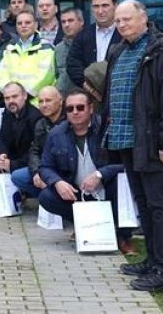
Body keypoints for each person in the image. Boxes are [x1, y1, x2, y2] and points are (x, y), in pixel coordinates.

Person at [106, 0, 163, 293]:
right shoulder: (119, 50)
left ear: (143, 19)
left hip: (153, 143)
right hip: (127, 142)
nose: (121, 25)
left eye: (127, 19)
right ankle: (152, 261)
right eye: (118, 21)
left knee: (159, 207)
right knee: (143, 204)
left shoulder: (161, 49)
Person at [38, 89, 134, 253]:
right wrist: (58, 182)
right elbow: (45, 167)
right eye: (70, 109)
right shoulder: (56, 134)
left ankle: (122, 236)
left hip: (106, 189)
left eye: (80, 107)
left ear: (90, 108)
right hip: (77, 192)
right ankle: (83, 226)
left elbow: (126, 163)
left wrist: (100, 174)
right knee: (46, 196)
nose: (75, 112)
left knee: (122, 183)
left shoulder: (107, 129)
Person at [0, 82, 42, 191]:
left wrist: (12, 165)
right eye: (7, 98)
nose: (11, 101)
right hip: (15, 155)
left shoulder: (35, 117)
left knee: (17, 174)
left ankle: (28, 194)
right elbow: (1, 138)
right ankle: (9, 194)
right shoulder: (7, 113)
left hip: (31, 161)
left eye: (15, 96)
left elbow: (36, 152)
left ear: (25, 96)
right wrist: (2, 154)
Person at [11, 86, 64, 200]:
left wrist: (49, 175)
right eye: (40, 101)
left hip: (63, 170)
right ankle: (49, 200)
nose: (44, 105)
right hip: (45, 167)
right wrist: (36, 172)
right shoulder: (41, 123)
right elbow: (34, 150)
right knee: (17, 176)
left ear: (60, 101)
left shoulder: (69, 122)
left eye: (48, 100)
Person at [66, 0, 121, 89]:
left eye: (105, 5)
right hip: (90, 95)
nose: (100, 11)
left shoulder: (125, 33)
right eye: (96, 6)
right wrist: (89, 87)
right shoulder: (82, 35)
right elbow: (73, 65)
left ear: (115, 6)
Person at [0, 10, 56, 102]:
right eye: (19, 23)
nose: (23, 25)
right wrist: (11, 95)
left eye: (27, 22)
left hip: (37, 104)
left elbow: (45, 77)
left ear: (36, 25)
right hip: (13, 103)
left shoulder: (46, 47)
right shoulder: (10, 48)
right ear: (16, 26)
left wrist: (21, 96)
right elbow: (2, 75)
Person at [54, 7, 84, 94]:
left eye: (70, 20)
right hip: (63, 98)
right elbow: (56, 75)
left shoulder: (90, 43)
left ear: (81, 21)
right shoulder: (58, 48)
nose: (66, 25)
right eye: (63, 22)